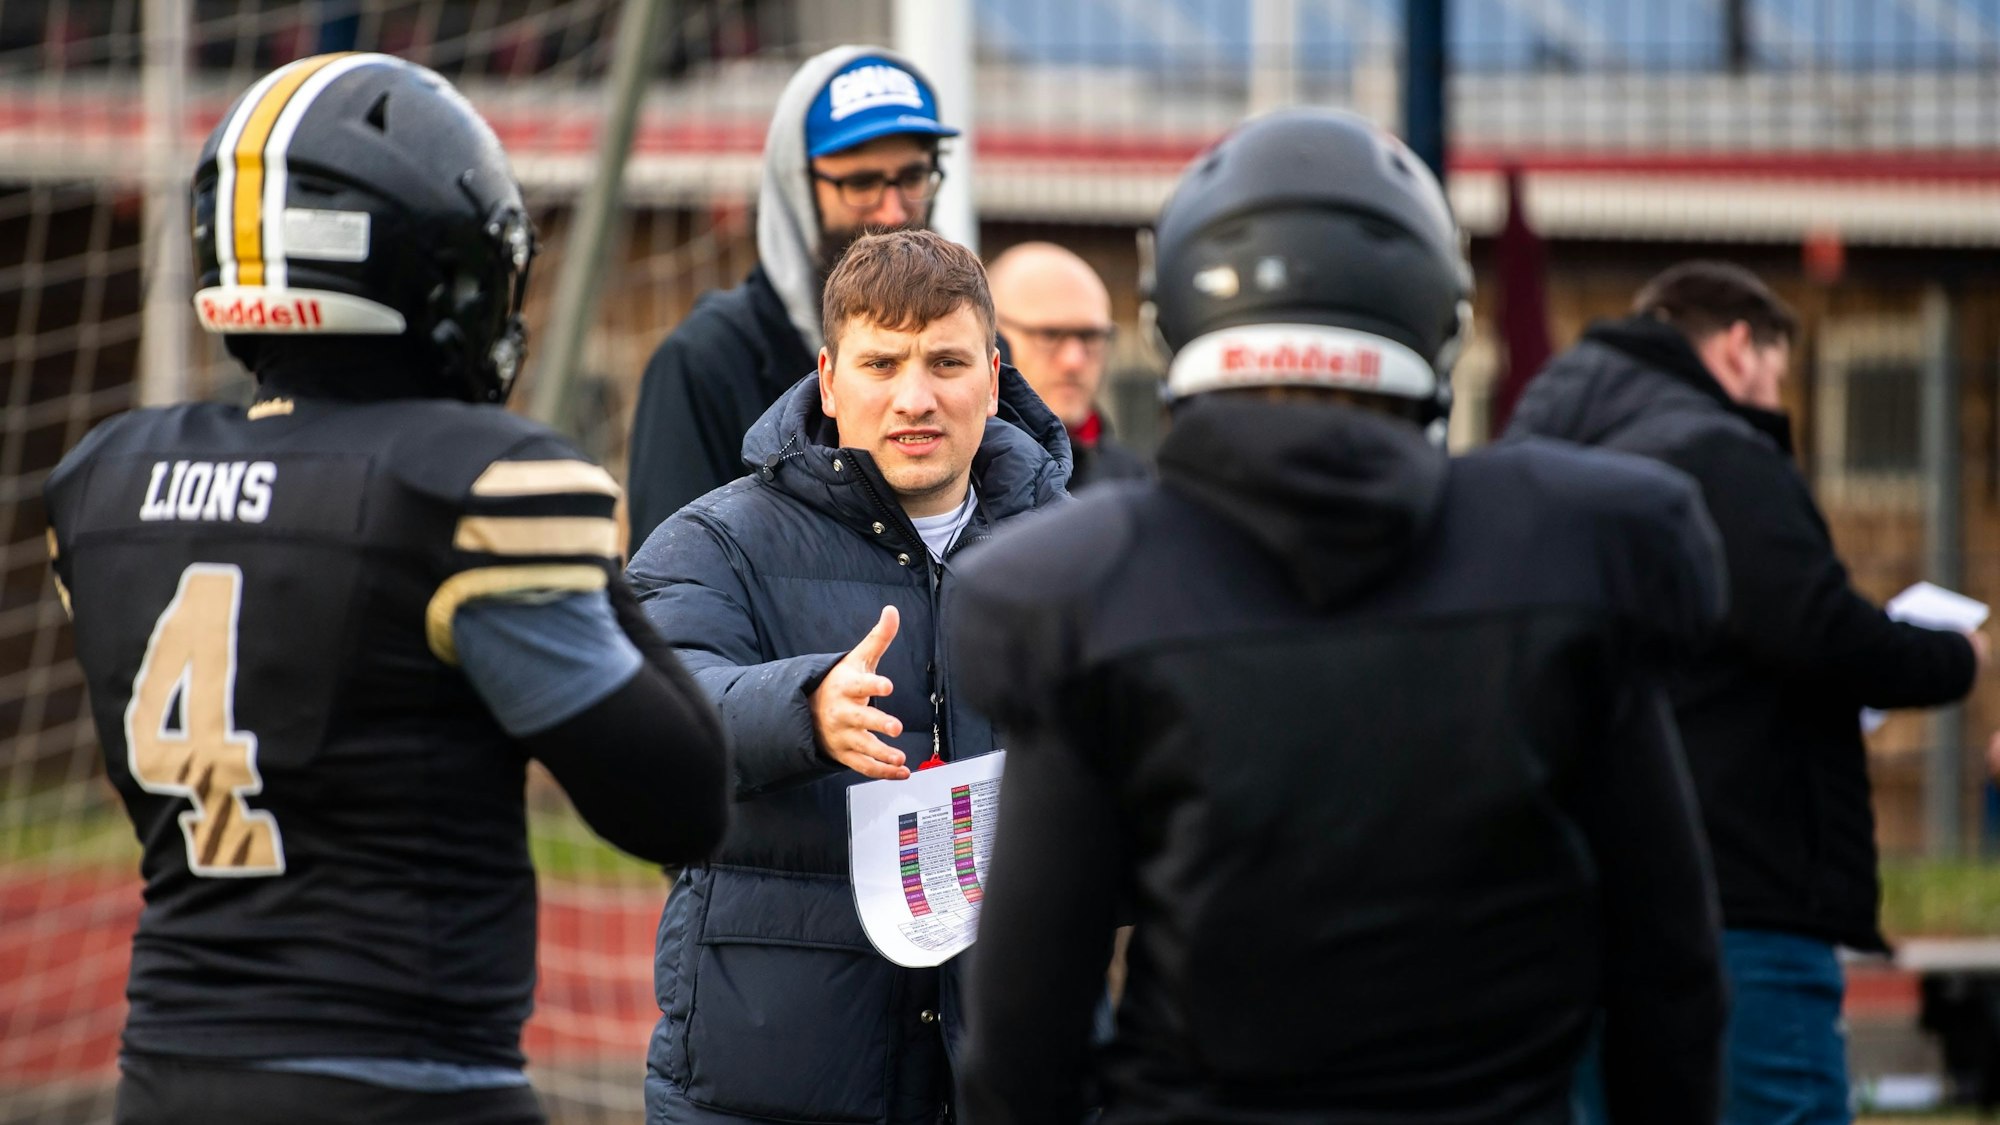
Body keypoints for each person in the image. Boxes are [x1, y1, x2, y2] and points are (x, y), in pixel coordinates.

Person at [951, 108, 1731, 1125]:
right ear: (1436, 320)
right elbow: (1669, 975)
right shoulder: (1568, 557)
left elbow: (1023, 1031)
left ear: (1171, 316)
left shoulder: (1093, 589)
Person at [41, 54, 730, 1125]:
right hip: (406, 1085)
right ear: (420, 266)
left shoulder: (103, 483)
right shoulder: (475, 487)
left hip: (165, 1078)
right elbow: (680, 799)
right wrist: (591, 558)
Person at [1507, 260, 1987, 1124]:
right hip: (1742, 896)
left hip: (1576, 903)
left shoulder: (1549, 459)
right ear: (1738, 347)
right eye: (1775, 370)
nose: (1774, 395)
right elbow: (1814, 625)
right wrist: (1952, 655)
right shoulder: (1716, 453)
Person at [627, 228, 1068, 1125]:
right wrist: (804, 709)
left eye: (946, 361)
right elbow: (653, 709)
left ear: (992, 374)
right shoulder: (714, 543)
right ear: (828, 378)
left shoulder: (1079, 552)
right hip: (770, 1088)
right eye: (881, 363)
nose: (916, 396)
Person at [626, 45, 962, 544]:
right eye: (862, 183)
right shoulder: (706, 364)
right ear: (794, 187)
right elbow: (669, 598)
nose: (894, 211)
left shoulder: (978, 355)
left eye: (913, 177)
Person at [987, 241, 1148, 490]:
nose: (1073, 361)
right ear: (991, 336)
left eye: (1090, 336)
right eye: (1049, 335)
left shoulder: (1136, 484)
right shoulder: (958, 483)